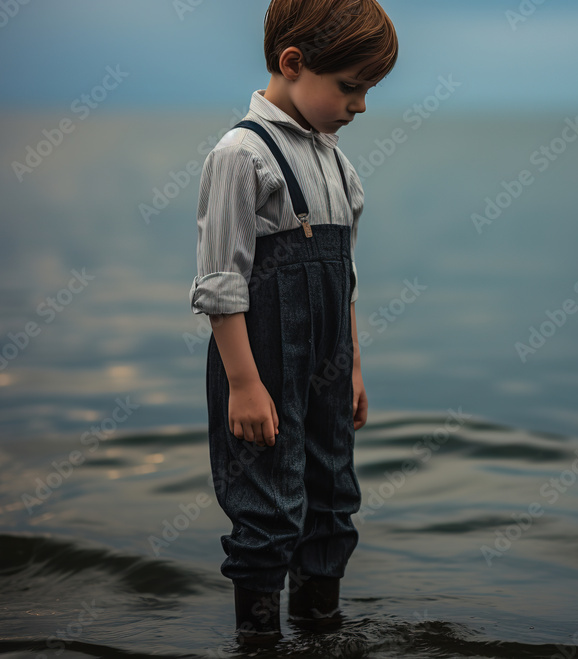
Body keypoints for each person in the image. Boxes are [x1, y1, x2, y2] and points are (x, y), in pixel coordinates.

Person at [188, 0, 398, 645]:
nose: (360, 105)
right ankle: (257, 642)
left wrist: (355, 368)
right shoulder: (241, 154)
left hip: (328, 364)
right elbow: (220, 283)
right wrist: (245, 385)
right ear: (293, 63)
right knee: (267, 503)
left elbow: (347, 280)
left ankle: (319, 630)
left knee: (331, 496)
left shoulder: (337, 162)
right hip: (261, 362)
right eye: (351, 86)